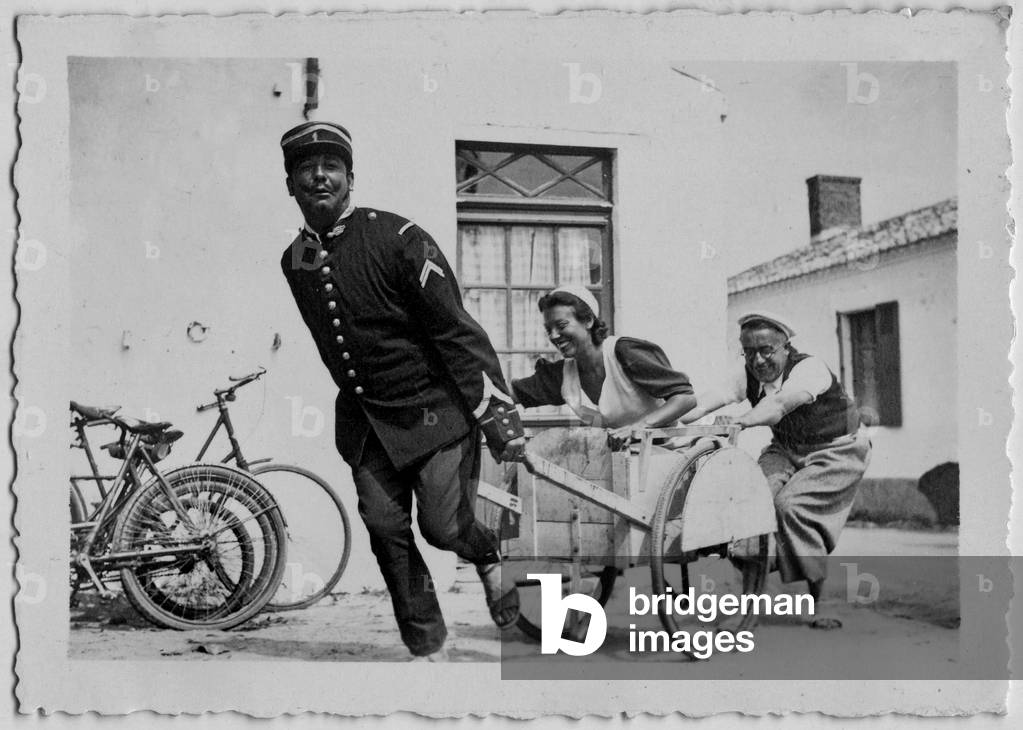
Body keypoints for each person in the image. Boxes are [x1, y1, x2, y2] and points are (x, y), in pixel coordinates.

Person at [277, 121, 525, 661]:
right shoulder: (293, 260)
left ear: (350, 178)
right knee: (384, 527)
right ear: (290, 184)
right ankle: (427, 645)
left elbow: (456, 331)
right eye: (305, 169)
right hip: (368, 423)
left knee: (443, 529)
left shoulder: (400, 236)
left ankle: (487, 558)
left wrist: (499, 418)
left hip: (433, 411)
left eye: (332, 167)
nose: (319, 176)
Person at [681, 311, 871, 629]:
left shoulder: (810, 369)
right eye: (749, 351)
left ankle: (816, 604)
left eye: (766, 350)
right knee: (749, 506)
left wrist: (740, 420)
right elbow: (704, 402)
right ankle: (749, 607)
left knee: (790, 508)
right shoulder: (747, 375)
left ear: (785, 347)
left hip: (837, 450)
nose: (758, 360)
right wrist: (657, 418)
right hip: (785, 449)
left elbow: (780, 405)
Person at [511, 285, 697, 444]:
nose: (553, 336)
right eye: (548, 330)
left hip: (670, 452)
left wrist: (638, 428)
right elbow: (510, 393)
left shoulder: (624, 352)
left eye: (561, 326)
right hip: (622, 460)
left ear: (588, 321)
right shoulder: (564, 375)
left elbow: (685, 398)